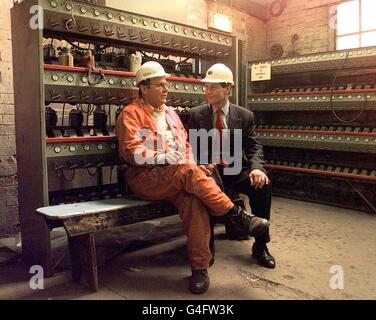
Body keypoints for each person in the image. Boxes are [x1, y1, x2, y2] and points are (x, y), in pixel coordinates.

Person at [115, 61, 270, 294]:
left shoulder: (171, 114)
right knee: (186, 170)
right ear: (144, 88)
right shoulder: (131, 114)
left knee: (194, 201)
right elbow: (131, 151)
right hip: (146, 177)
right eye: (160, 85)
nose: (166, 89)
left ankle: (200, 268)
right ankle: (236, 216)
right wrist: (165, 157)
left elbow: (186, 146)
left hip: (178, 176)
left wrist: (194, 165)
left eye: (166, 84)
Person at [188, 63, 276, 269]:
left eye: (212, 87)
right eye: (206, 87)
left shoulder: (244, 116)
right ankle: (206, 246)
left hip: (235, 170)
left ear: (227, 88)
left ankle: (261, 245)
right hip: (209, 172)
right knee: (203, 189)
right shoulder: (196, 114)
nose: (207, 91)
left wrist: (257, 168)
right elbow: (190, 147)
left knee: (263, 185)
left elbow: (254, 146)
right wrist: (200, 164)